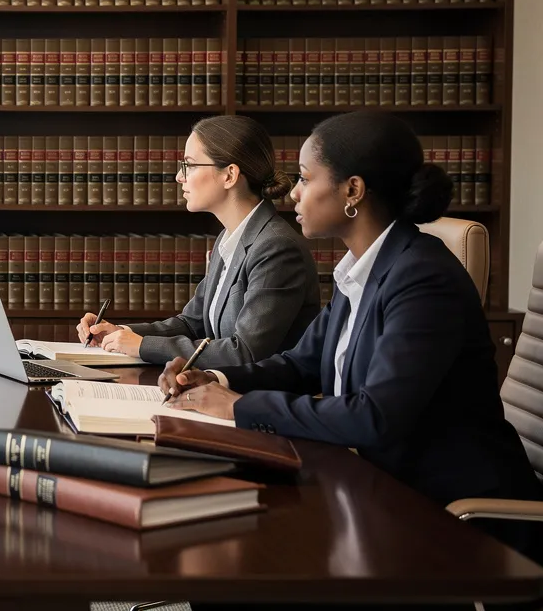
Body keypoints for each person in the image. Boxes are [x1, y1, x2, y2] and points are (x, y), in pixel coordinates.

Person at [162, 111, 543, 566]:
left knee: (240, 556)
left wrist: (239, 407)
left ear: (353, 191)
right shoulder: (361, 270)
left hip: (453, 521)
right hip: (379, 490)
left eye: (306, 178)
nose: (294, 192)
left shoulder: (423, 279)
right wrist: (217, 380)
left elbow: (375, 416)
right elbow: (300, 364)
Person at [77, 116, 320, 369]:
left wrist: (141, 346)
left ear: (229, 175)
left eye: (189, 165)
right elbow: (193, 324)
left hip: (260, 392)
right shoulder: (228, 239)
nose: (179, 177)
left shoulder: (276, 247)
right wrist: (120, 333)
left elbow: (245, 352)